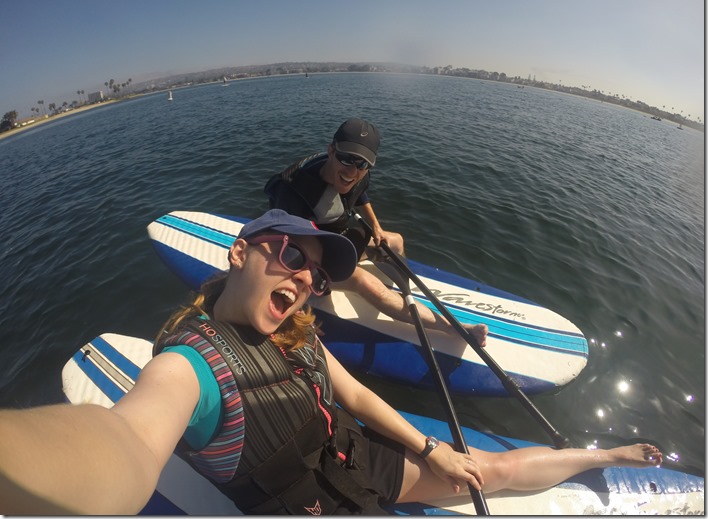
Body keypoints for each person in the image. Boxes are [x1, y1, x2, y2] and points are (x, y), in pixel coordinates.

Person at [0, 210, 663, 515]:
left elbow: (357, 397)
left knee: (492, 469)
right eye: (291, 256)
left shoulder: (299, 333)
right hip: (310, 504)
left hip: (356, 460)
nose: (303, 281)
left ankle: (606, 457)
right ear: (240, 252)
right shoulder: (186, 369)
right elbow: (121, 443)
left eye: (315, 276)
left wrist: (429, 446)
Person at [265, 118, 489, 345]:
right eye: (346, 159)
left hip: (335, 241)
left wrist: (377, 227)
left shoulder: (360, 171)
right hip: (310, 262)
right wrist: (296, 313)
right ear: (331, 151)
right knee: (366, 282)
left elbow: (361, 195)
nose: (352, 171)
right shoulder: (294, 192)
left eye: (362, 164)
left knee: (395, 241)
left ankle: (404, 299)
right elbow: (281, 252)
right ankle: (456, 329)